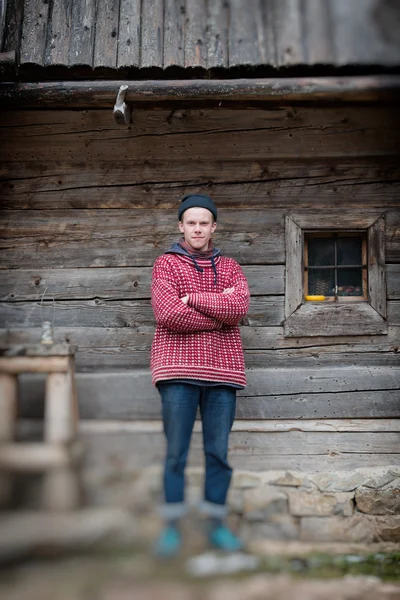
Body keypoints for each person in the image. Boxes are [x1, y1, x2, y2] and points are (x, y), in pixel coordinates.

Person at [150, 194, 250, 557]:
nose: (197, 228)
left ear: (213, 227)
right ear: (181, 226)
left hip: (223, 374)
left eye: (204, 222)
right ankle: (171, 528)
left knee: (218, 453)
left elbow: (239, 307)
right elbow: (167, 315)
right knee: (176, 452)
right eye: (190, 222)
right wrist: (217, 307)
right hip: (176, 372)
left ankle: (216, 525)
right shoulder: (165, 265)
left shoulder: (232, 267)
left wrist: (192, 297)